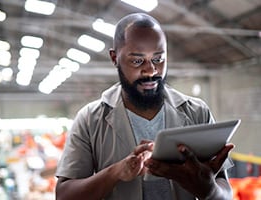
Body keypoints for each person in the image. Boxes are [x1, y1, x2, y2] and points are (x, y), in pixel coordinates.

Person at [55, 13, 234, 200]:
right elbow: (64, 195)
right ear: (114, 57)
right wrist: (116, 172)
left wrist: (209, 190)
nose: (151, 70)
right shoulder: (90, 119)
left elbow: (225, 191)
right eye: (137, 61)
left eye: (158, 59)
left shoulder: (197, 112)